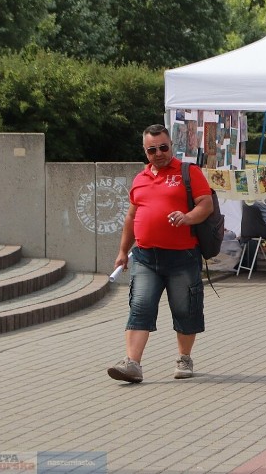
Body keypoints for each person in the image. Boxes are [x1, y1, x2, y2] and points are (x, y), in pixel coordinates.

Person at [107, 124, 214, 383]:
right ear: (145, 151)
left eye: (163, 147)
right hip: (145, 257)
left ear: (171, 146)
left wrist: (188, 218)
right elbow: (132, 216)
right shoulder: (140, 178)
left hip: (182, 256)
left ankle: (184, 358)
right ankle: (132, 364)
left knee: (185, 309)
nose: (158, 153)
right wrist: (123, 251)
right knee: (140, 306)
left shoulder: (189, 172)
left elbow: (206, 204)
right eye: (152, 149)